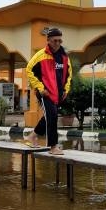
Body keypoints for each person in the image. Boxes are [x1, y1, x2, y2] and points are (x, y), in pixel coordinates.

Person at [26, 27, 71, 155]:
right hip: (44, 93)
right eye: (54, 40)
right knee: (52, 116)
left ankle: (32, 136)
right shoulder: (40, 55)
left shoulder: (64, 57)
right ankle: (53, 146)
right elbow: (29, 70)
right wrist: (40, 88)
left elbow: (69, 74)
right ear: (48, 40)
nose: (57, 43)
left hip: (57, 94)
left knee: (49, 116)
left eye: (59, 41)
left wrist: (66, 89)